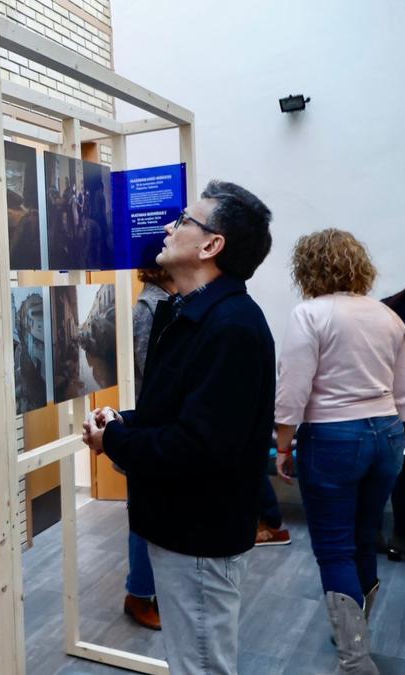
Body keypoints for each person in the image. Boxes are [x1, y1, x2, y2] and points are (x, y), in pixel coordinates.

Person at [82, 181, 275, 675]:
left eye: (186, 220)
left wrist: (117, 440)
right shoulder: (192, 314)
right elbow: (177, 410)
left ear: (211, 245)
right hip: (181, 529)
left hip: (199, 537)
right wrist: (126, 422)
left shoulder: (231, 327)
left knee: (202, 664)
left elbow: (199, 445)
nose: (169, 226)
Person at [274, 229, 405, 674]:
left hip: (333, 437)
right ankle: (353, 630)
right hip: (389, 433)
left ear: (307, 269)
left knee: (333, 549)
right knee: (363, 536)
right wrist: (391, 435)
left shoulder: (309, 314)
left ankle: (355, 660)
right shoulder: (387, 315)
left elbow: (292, 389)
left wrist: (282, 445)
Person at [120, 266, 177, 631]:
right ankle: (139, 594)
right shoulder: (148, 310)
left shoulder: (172, 304)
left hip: (164, 426)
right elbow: (151, 374)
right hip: (154, 426)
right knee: (144, 513)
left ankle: (148, 591)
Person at [384, 272, 405, 562]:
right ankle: (404, 538)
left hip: (394, 409)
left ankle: (400, 537)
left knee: (402, 475)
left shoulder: (392, 308)